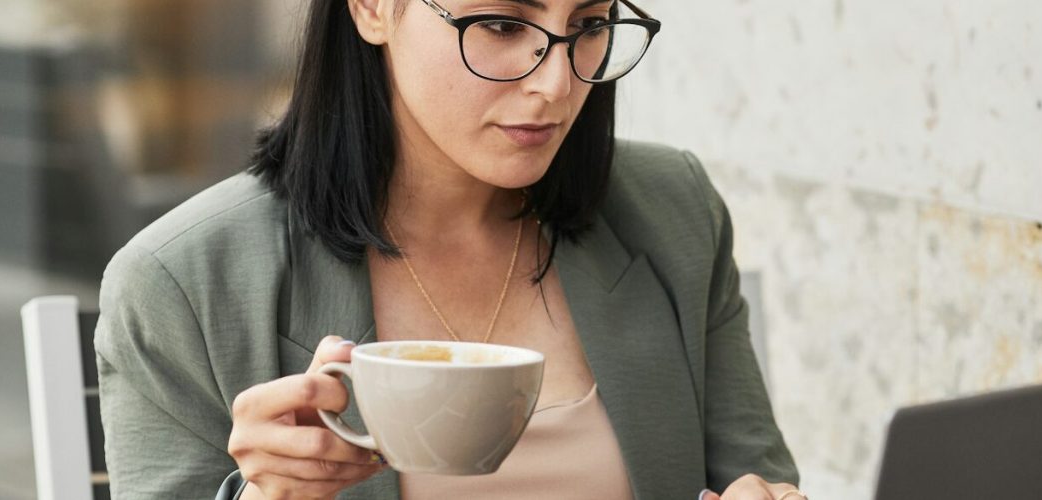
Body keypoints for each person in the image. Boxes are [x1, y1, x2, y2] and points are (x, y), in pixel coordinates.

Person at [94, 0, 804, 498]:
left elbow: (759, 479)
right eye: (500, 23)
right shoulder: (180, 281)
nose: (555, 83)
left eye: (588, 25)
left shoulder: (672, 211)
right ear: (373, 7)